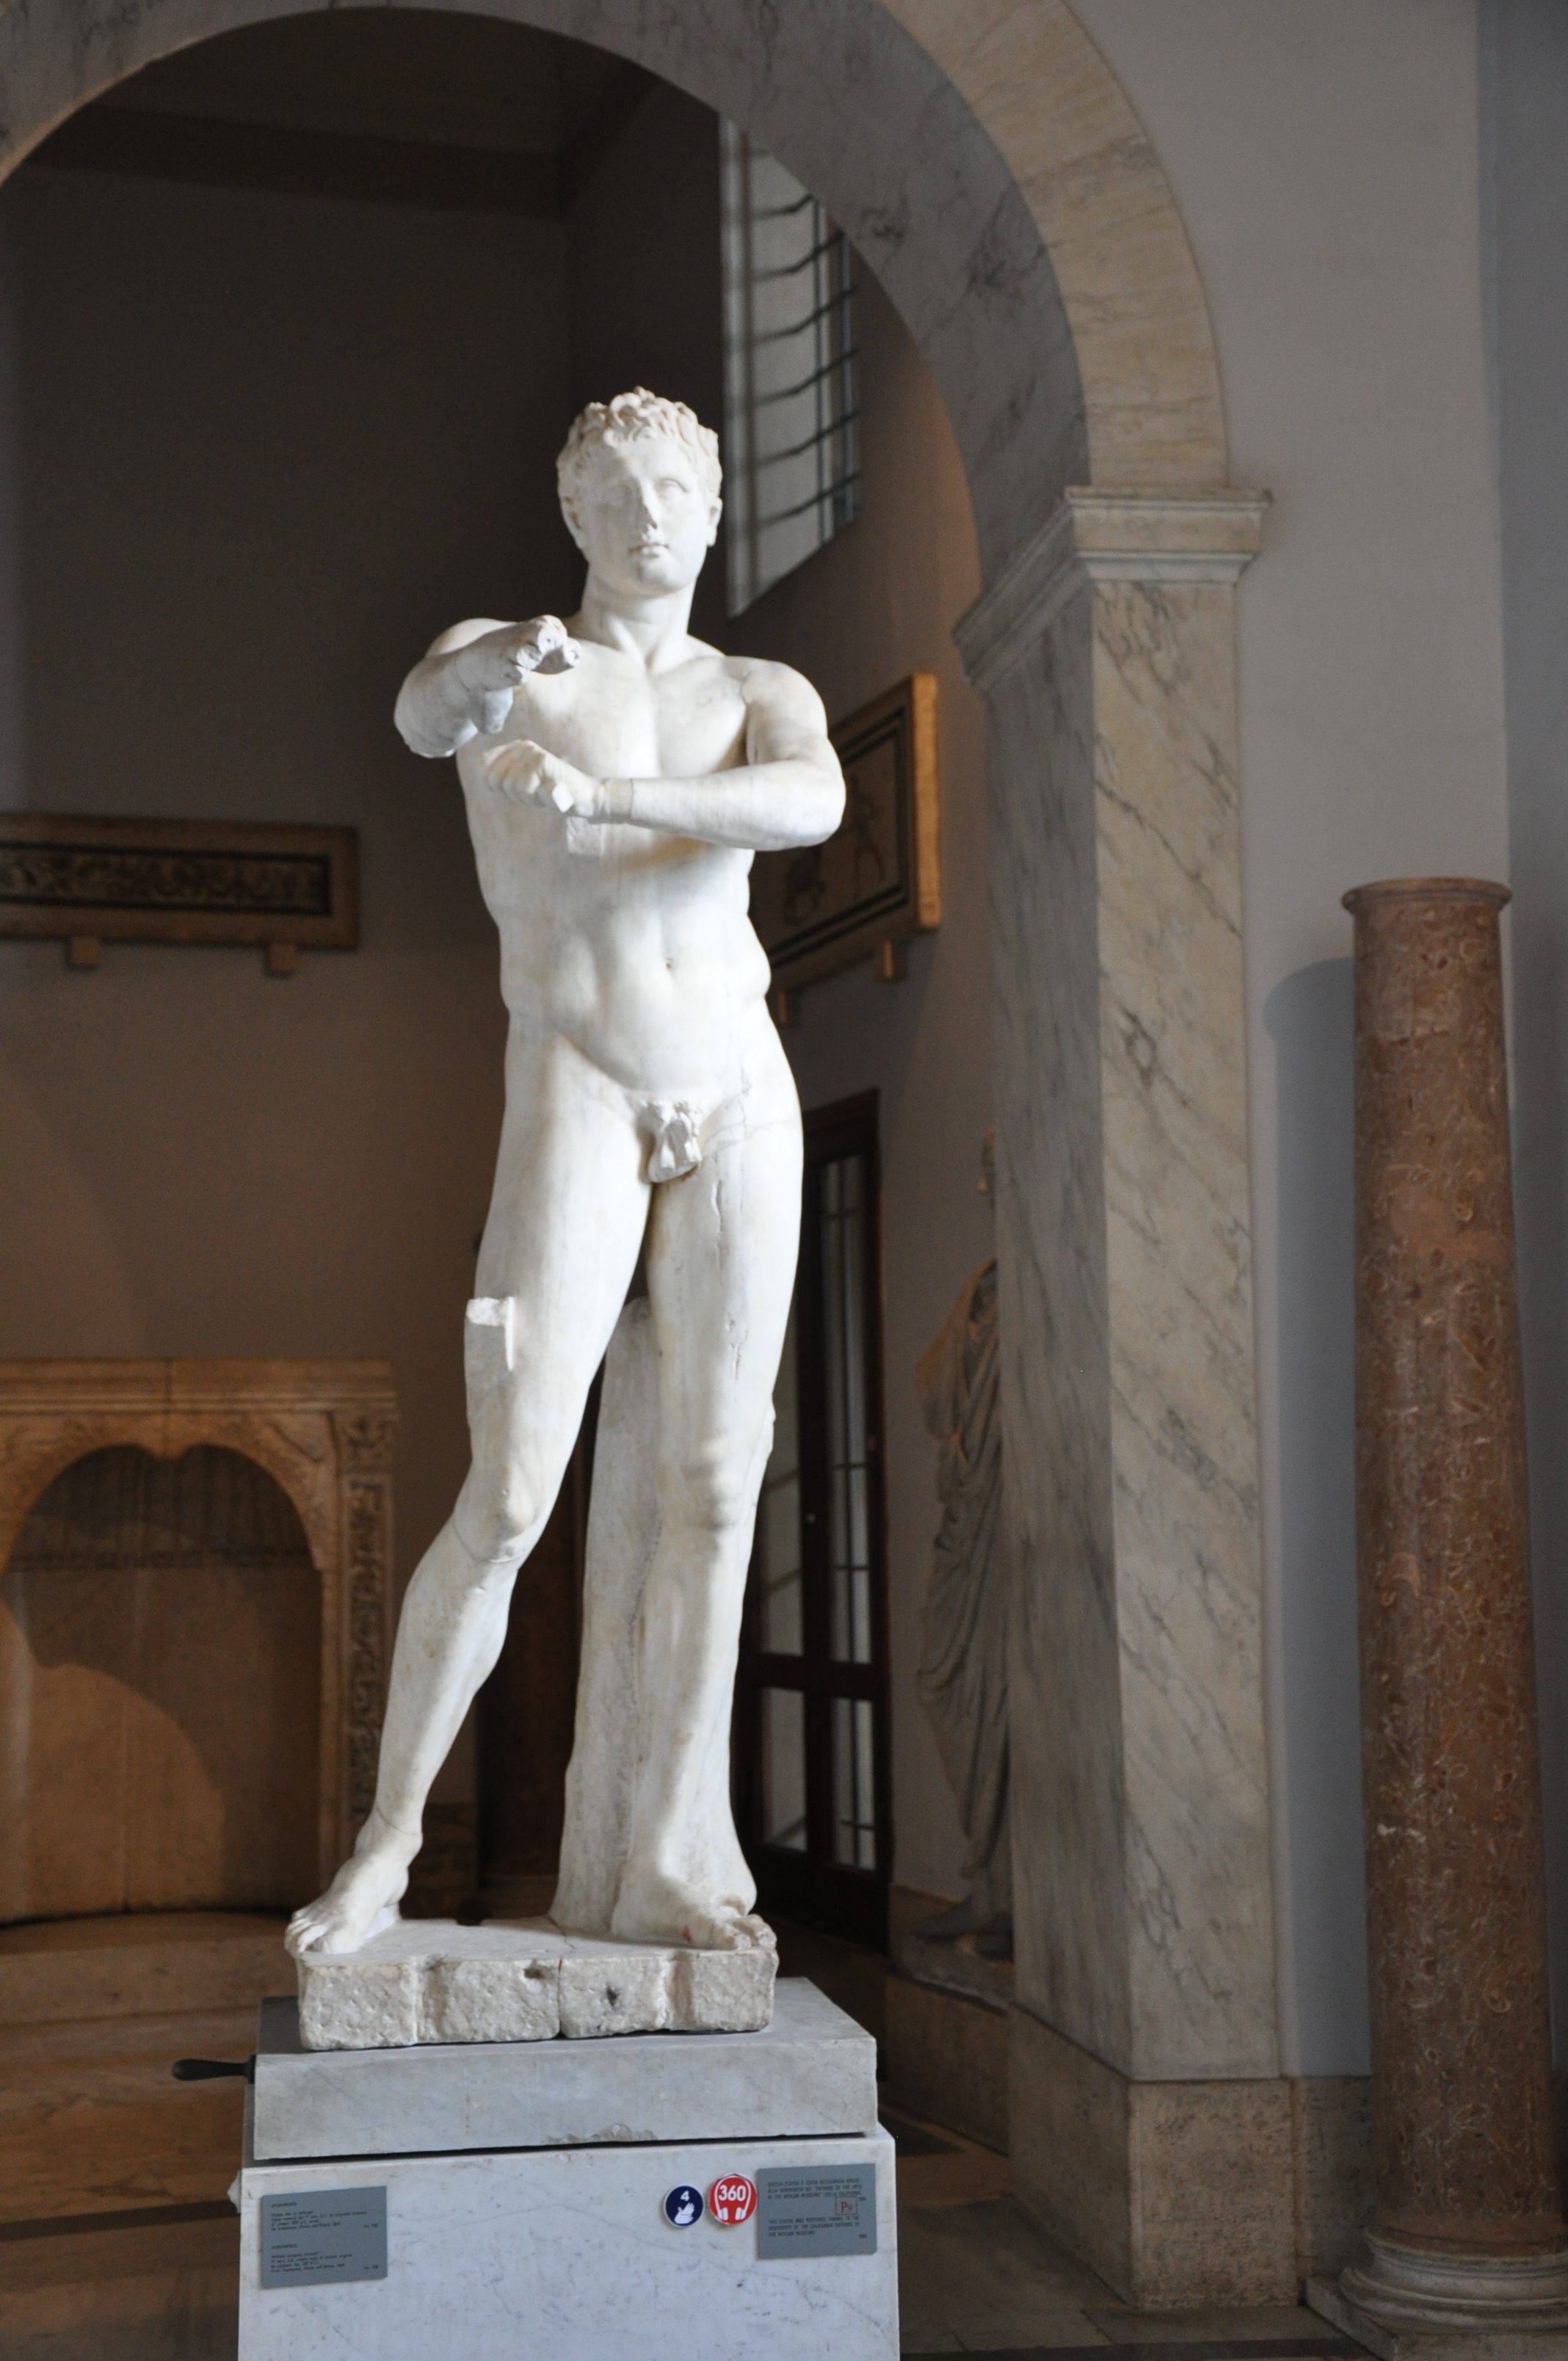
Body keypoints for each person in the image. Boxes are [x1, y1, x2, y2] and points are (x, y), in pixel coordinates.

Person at [286, 390, 843, 1960]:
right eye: (619, 494)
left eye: (675, 490)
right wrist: (484, 678)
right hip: (579, 1080)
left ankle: (663, 1855)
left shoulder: (758, 689)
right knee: (515, 1491)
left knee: (717, 1483)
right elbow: (425, 715)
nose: (651, 517)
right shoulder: (513, 659)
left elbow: (813, 802)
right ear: (576, 516)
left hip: (737, 1089)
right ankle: (386, 1851)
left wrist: (611, 803)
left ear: (714, 512)